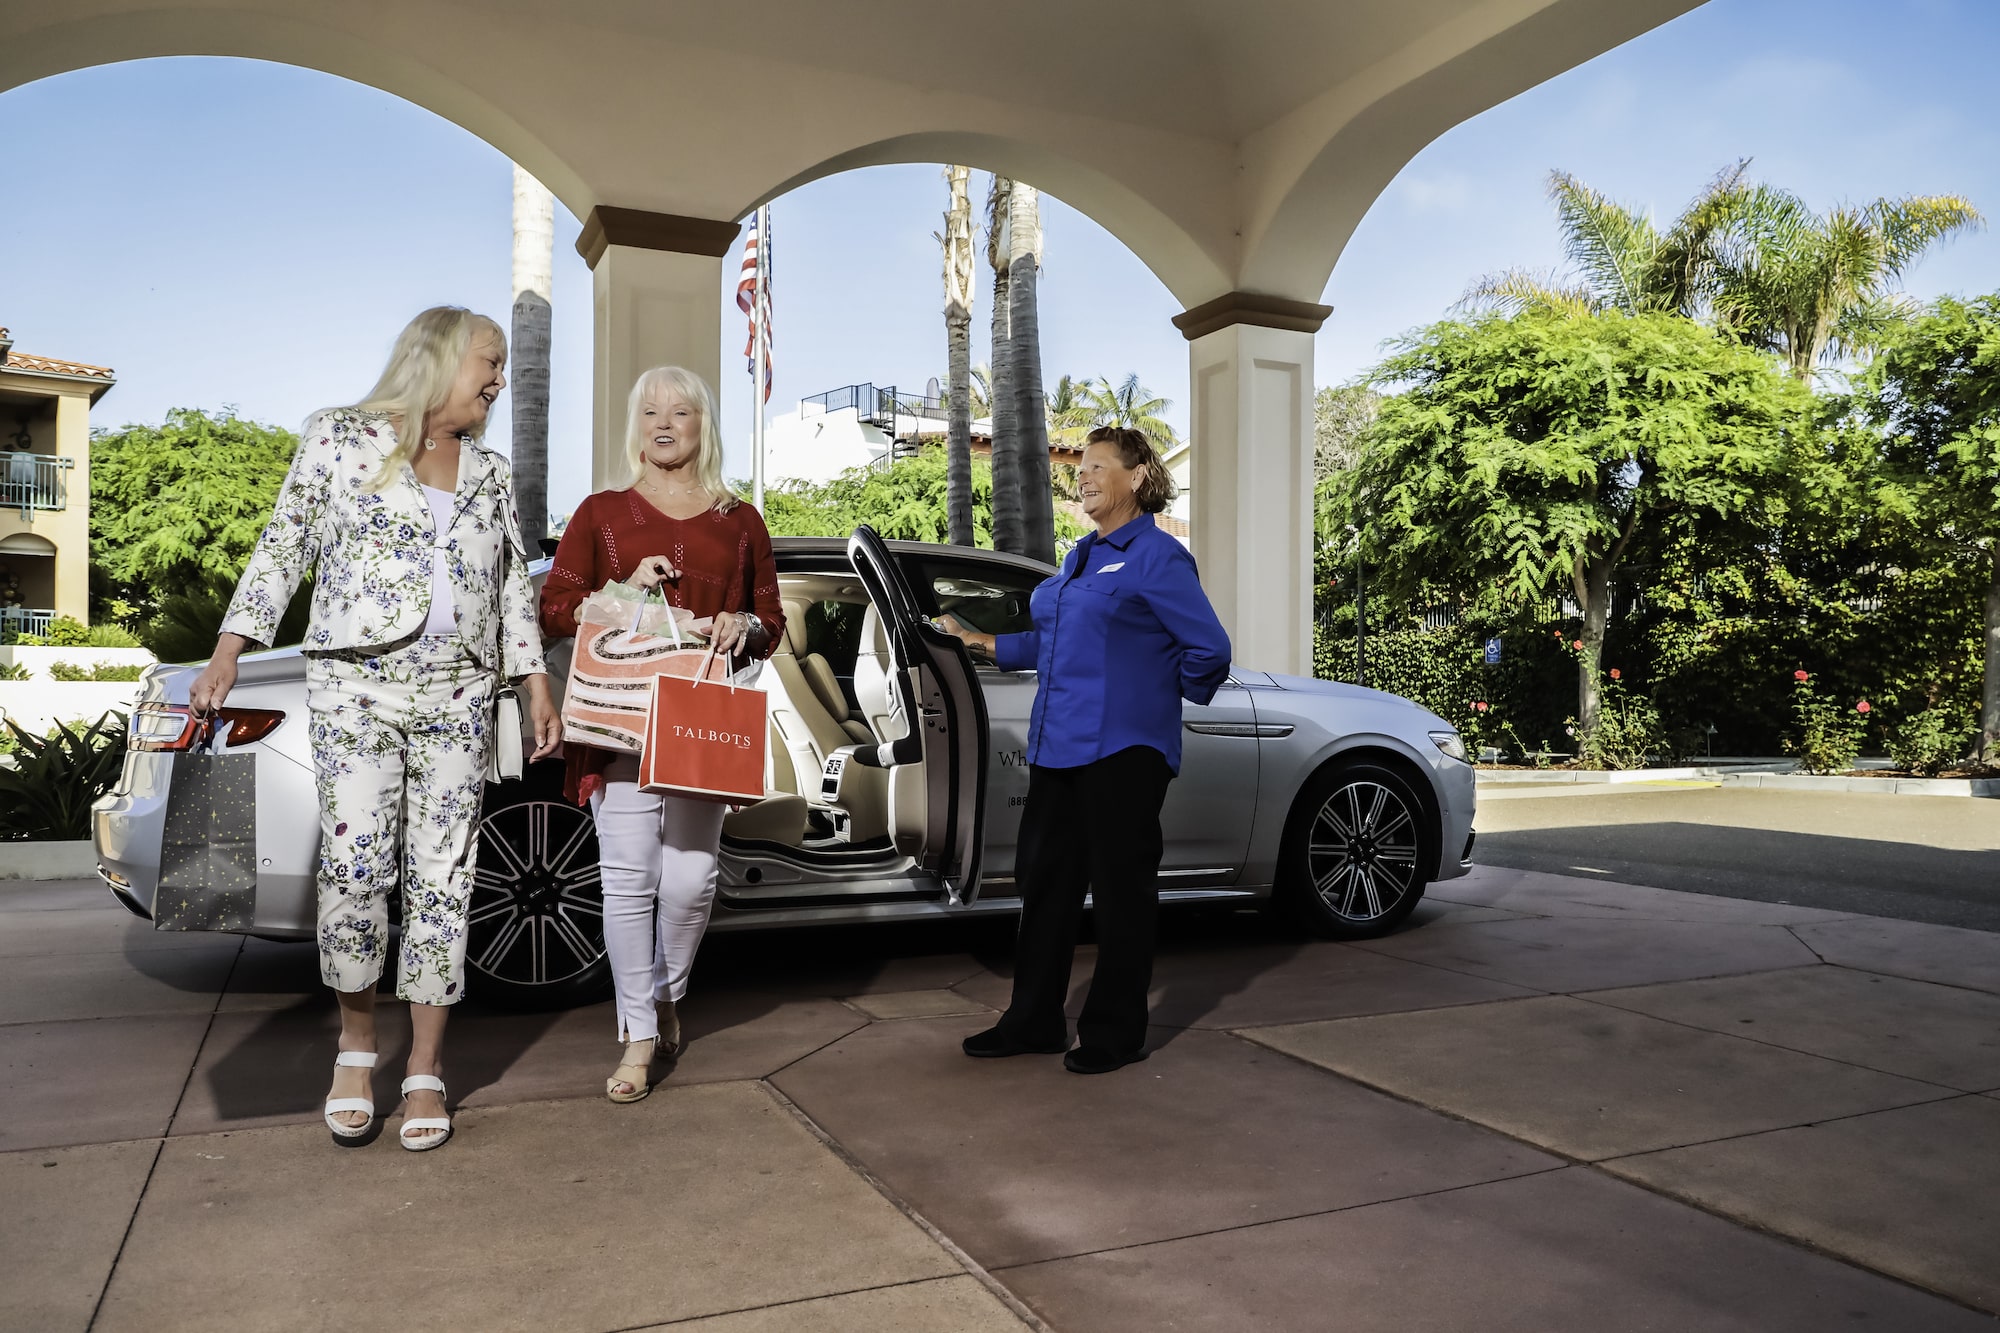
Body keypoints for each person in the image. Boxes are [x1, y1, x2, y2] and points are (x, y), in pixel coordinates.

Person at [190, 307, 559, 1150]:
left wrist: (535, 679)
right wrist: (228, 651)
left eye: (501, 366)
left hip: (459, 692)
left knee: (445, 876)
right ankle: (357, 1047)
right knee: (356, 869)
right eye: (489, 363)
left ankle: (426, 1066)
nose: (499, 380)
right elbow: (283, 545)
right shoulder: (337, 436)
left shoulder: (491, 472)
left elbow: (508, 587)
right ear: (439, 359)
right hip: (356, 684)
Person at [941, 426, 1230, 1074]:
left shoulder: (1157, 556)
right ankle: (1033, 1020)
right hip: (1058, 745)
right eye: (1084, 466)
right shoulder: (1079, 556)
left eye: (1099, 465)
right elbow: (1051, 644)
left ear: (1136, 478)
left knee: (1121, 895)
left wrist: (1156, 691)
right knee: (1045, 886)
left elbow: (1210, 648)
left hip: (1124, 750)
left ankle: (1113, 1032)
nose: (1086, 474)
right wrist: (981, 641)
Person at [538, 366, 784, 1103]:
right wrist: (623, 590)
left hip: (702, 717)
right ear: (635, 425)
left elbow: (771, 621)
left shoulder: (739, 519)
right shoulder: (603, 513)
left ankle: (666, 991)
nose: (664, 423)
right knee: (627, 878)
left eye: (680, 411)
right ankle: (638, 1032)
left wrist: (746, 625)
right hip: (621, 717)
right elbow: (555, 606)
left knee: (690, 879)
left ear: (703, 422)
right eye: (650, 412)